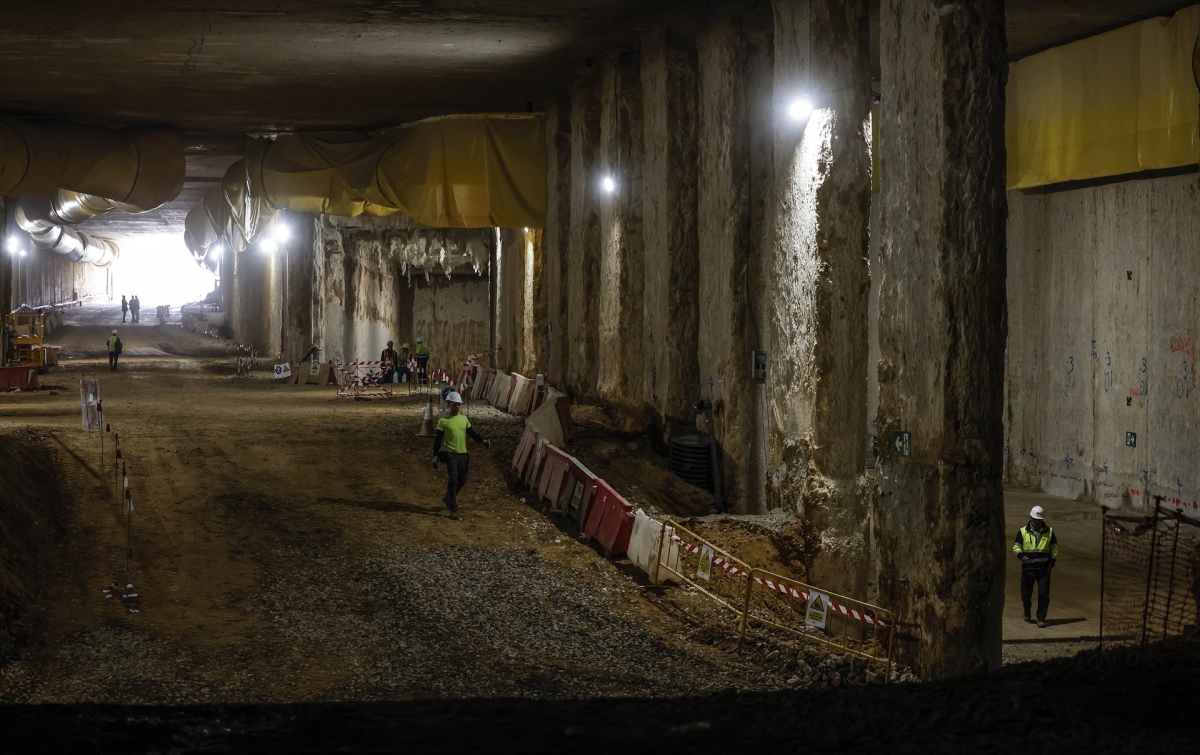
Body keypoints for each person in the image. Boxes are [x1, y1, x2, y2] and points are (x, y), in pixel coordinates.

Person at [432, 391, 489, 520]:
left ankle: (448, 497)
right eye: (454, 405)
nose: (456, 407)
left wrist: (482, 441)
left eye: (458, 405)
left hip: (463, 454)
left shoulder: (464, 419)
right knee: (453, 480)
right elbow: (438, 440)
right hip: (450, 454)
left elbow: (471, 433)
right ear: (448, 405)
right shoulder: (443, 421)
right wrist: (435, 455)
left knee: (462, 480)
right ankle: (453, 508)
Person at [1013, 505, 1059, 628]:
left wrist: (1052, 560)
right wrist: (1021, 556)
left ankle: (1041, 618)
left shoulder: (1049, 531)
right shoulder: (1023, 532)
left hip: (1044, 569)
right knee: (1026, 593)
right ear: (1030, 518)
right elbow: (1016, 547)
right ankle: (1027, 611)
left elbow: (1054, 547)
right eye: (1035, 519)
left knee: (1043, 594)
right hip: (1028, 568)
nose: (1037, 522)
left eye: (1039, 520)